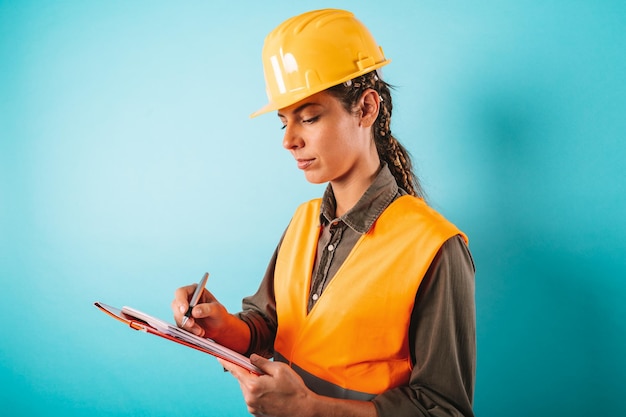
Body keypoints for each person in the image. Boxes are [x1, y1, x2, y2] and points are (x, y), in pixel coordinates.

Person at [172, 8, 476, 417]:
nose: (289, 141)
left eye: (310, 117)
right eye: (283, 123)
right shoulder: (303, 221)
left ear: (366, 109)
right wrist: (225, 328)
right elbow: (272, 327)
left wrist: (310, 408)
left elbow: (444, 410)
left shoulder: (435, 248)